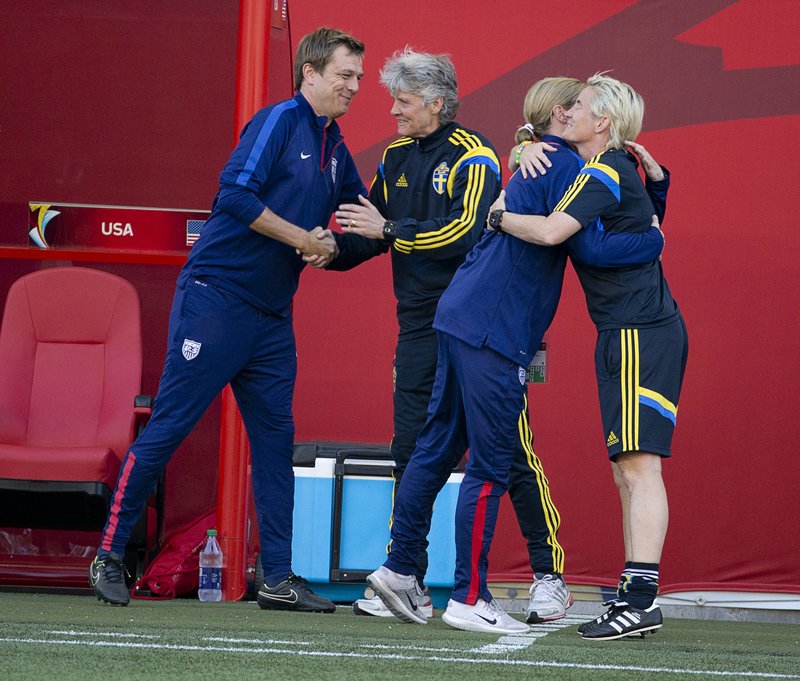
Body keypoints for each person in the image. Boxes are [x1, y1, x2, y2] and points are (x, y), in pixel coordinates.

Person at [361, 76, 666, 634]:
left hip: (459, 312)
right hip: (494, 327)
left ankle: (400, 568)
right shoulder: (566, 165)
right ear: (560, 114)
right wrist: (654, 233)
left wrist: (522, 159)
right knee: (493, 463)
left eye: (582, 104)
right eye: (572, 104)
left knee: (435, 447)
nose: (576, 110)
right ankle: (470, 595)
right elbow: (579, 241)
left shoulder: (534, 155)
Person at [88, 27, 367, 611]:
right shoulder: (276, 121)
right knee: (167, 427)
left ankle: (279, 578)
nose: (354, 87)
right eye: (345, 75)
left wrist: (361, 242)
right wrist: (305, 240)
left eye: (358, 78)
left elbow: (361, 227)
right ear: (309, 73)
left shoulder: (336, 146)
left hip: (270, 318)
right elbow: (233, 197)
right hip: (215, 301)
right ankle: (109, 556)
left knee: (275, 442)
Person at [323, 50, 569, 624]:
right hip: (417, 328)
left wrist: (389, 230)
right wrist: (331, 250)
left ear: (437, 102)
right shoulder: (395, 156)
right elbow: (373, 229)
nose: (392, 112)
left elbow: (465, 231)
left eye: (403, 103)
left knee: (508, 453)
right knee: (413, 450)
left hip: (476, 326)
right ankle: (403, 574)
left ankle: (548, 575)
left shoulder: (475, 156)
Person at [491, 73, 688, 640]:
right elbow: (612, 234)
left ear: (602, 121)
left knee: (639, 468)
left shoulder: (605, 168)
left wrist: (496, 216)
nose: (566, 110)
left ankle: (641, 597)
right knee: (626, 469)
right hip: (629, 332)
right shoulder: (604, 166)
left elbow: (559, 234)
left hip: (639, 333)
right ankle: (635, 597)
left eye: (576, 105)